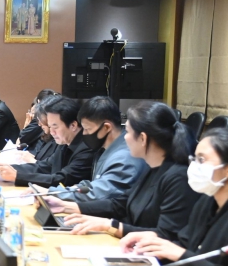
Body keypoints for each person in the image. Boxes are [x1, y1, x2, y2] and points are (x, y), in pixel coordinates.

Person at [46, 101, 198, 239]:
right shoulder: (153, 168)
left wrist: (110, 226)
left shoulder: (178, 177)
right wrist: (66, 206)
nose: (124, 138)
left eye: (129, 132)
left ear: (143, 138)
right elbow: (119, 204)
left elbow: (166, 236)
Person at [121, 128, 228, 266]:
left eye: (202, 160)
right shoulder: (207, 202)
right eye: (194, 159)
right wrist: (155, 245)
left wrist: (179, 254)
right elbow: (185, 244)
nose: (194, 166)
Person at [47, 96, 148, 202]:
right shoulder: (104, 149)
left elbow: (99, 192)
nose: (84, 133)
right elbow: (93, 184)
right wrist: (67, 190)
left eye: (87, 129)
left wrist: (53, 193)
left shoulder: (125, 157)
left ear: (106, 127)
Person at [0, 96, 94, 187]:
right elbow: (45, 166)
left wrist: (17, 176)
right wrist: (7, 168)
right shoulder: (65, 142)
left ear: (73, 125)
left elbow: (62, 179)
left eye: (55, 127)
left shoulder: (87, 148)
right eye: (49, 126)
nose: (52, 132)